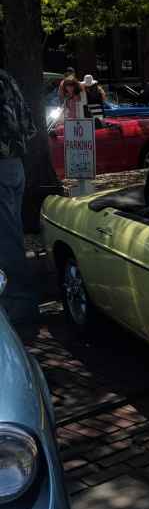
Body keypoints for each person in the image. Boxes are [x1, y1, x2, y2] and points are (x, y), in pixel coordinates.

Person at [0, 70, 39, 325]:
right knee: (12, 234)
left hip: (2, 166)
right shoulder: (7, 78)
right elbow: (29, 126)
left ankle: (21, 302)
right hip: (15, 165)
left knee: (8, 239)